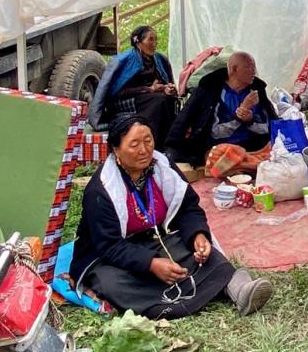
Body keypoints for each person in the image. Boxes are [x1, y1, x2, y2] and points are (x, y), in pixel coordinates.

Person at [70, 114, 273, 318]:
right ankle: (167, 298)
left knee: (204, 254)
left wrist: (198, 235)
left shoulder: (163, 167)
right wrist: (151, 264)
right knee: (111, 282)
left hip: (156, 240)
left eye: (148, 141)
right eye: (134, 145)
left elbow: (188, 208)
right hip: (112, 254)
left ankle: (240, 289)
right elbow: (110, 246)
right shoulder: (101, 189)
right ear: (116, 150)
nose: (144, 150)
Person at [165, 51, 278, 166]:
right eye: (249, 67)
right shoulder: (210, 87)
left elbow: (269, 123)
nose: (254, 71)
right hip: (219, 148)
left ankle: (246, 162)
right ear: (234, 69)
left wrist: (250, 120)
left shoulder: (257, 89)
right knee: (220, 160)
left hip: (252, 146)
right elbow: (186, 116)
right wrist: (172, 146)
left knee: (271, 155)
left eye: (254, 67)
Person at [89, 25, 177, 145]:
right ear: (138, 42)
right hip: (125, 99)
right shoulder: (123, 61)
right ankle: (153, 143)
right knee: (159, 101)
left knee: (167, 98)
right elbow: (117, 92)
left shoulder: (159, 59)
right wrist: (148, 89)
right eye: (150, 39)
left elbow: (164, 81)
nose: (154, 44)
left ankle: (169, 142)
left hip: (151, 96)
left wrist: (167, 88)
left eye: (156, 40)